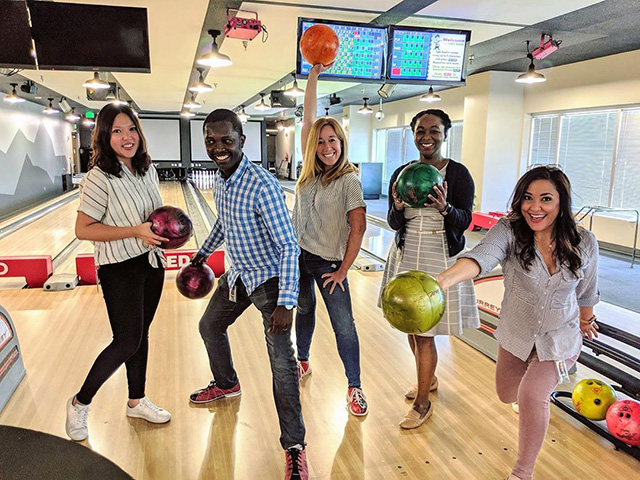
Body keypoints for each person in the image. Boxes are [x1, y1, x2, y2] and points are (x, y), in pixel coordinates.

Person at [436, 166, 600, 480]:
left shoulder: (584, 241)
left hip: (560, 336)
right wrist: (443, 280)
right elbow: (482, 255)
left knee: (531, 396)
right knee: (507, 393)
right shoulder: (509, 230)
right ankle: (532, 395)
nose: (534, 207)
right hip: (517, 331)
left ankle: (522, 472)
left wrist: (586, 320)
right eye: (527, 198)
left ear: (561, 203)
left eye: (545, 199)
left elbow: (587, 289)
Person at [188, 109, 307, 480]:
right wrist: (203, 254)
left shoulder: (261, 185)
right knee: (209, 327)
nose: (218, 147)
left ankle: (294, 447)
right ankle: (227, 383)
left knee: (281, 364)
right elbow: (226, 221)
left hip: (271, 282)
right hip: (238, 274)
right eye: (211, 140)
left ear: (242, 139)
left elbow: (289, 246)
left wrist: (287, 302)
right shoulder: (223, 180)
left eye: (226, 140)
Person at [66, 104, 171, 442]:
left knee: (141, 336)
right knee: (125, 340)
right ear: (104, 137)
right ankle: (80, 402)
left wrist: (164, 230)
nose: (127, 137)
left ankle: (136, 400)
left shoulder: (146, 169)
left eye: (131, 129)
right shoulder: (99, 177)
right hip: (119, 268)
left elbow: (151, 217)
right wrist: (135, 231)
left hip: (150, 264)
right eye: (117, 131)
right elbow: (83, 229)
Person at [379, 108, 479, 429]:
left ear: (445, 134)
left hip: (440, 255)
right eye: (421, 131)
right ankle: (429, 379)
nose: (427, 137)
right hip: (407, 252)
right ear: (414, 135)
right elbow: (395, 223)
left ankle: (423, 404)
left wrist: (445, 208)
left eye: (434, 131)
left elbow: (466, 222)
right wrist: (396, 207)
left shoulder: (459, 175)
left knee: (425, 333)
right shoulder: (401, 173)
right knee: (411, 324)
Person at [293, 64, 368, 416]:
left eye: (332, 140)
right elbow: (308, 118)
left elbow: (359, 227)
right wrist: (312, 77)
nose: (326, 146)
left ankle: (354, 387)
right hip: (298, 257)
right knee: (304, 311)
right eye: (321, 141)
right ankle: (303, 361)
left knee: (344, 326)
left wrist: (344, 270)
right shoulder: (308, 173)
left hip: (329, 264)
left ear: (342, 143)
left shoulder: (348, 180)